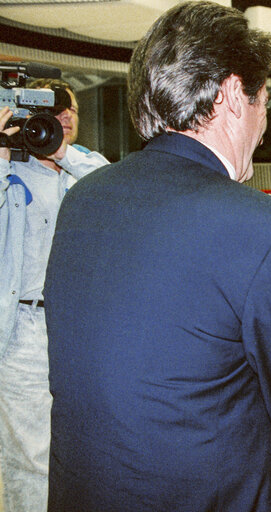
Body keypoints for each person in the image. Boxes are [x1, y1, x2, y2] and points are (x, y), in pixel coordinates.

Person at [44, 3, 271, 511]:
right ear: (234, 95)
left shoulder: (83, 199)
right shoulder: (268, 231)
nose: (264, 120)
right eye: (264, 101)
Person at [0, 78, 109, 511]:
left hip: (81, 333)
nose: (62, 115)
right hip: (25, 330)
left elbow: (114, 192)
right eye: (49, 107)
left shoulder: (85, 168)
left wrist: (60, 152)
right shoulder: (11, 168)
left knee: (86, 451)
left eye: (69, 109)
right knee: (28, 458)